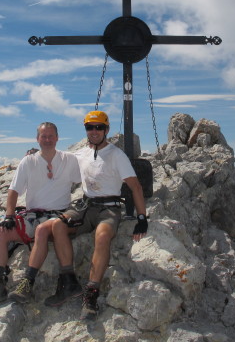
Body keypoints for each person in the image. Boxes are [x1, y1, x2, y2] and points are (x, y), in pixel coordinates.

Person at [46, 111, 148, 320]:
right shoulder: (81, 154)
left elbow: (135, 187)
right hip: (85, 205)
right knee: (58, 226)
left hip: (109, 208)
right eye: (89, 128)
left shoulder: (116, 155)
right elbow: (58, 160)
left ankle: (91, 294)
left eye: (98, 127)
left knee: (102, 237)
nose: (94, 132)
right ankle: (69, 283)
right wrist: (35, 155)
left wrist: (142, 218)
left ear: (106, 130)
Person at [0, 122, 81, 307]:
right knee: (0, 233)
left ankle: (27, 283)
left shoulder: (69, 159)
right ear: (37, 139)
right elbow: (13, 191)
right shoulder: (28, 162)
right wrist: (9, 215)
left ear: (57, 138)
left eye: (50, 136)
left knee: (41, 231)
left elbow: (86, 174)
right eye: (43, 136)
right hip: (33, 214)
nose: (47, 140)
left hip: (57, 215)